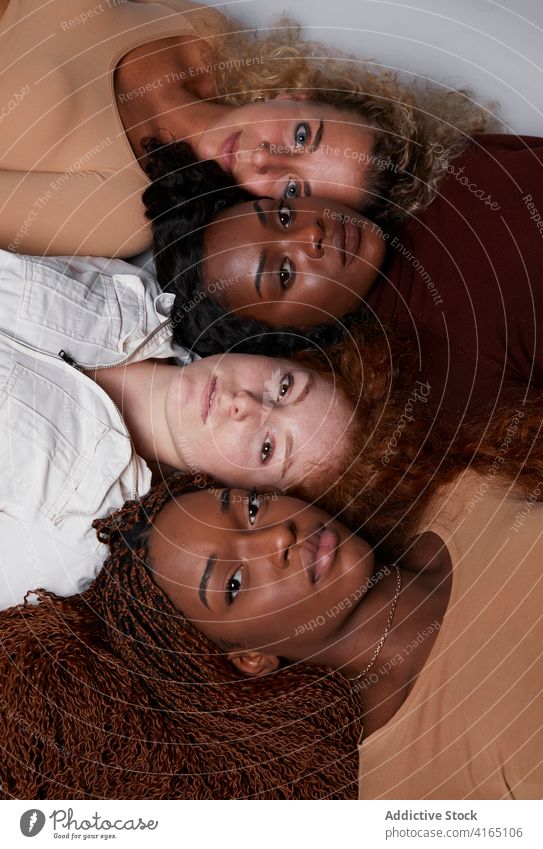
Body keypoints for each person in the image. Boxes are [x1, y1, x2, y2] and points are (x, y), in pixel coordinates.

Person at [1, 450, 541, 800]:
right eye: (233, 584)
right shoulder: (420, 787)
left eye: (252, 508)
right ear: (249, 659)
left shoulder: (467, 487)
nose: (277, 540)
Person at [0, 249, 357, 609]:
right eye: (284, 388)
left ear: (243, 494)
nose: (245, 403)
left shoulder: (82, 541)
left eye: (267, 448)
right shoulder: (142, 292)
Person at [0, 0, 489, 257]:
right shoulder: (203, 30)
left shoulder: (123, 214)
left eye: (293, 187)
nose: (266, 159)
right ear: (297, 95)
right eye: (302, 136)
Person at [145, 135, 543, 423]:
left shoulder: (442, 167)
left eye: (283, 215)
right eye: (284, 273)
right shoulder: (451, 376)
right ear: (295, 334)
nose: (311, 234)